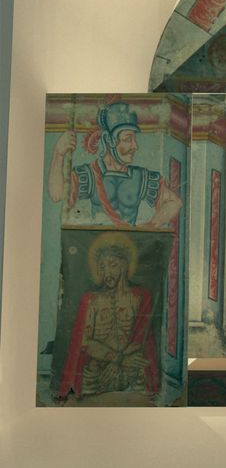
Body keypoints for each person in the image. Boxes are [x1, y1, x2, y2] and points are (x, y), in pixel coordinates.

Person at [58, 232, 159, 399]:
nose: (106, 272)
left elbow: (141, 336)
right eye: (102, 267)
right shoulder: (92, 300)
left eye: (112, 265)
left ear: (124, 266)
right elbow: (84, 341)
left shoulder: (140, 297)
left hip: (132, 370)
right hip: (97, 373)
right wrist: (118, 359)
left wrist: (121, 362)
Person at [48, 102, 182, 227]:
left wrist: (150, 226)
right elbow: (57, 195)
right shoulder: (89, 174)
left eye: (134, 139)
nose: (135, 146)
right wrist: (59, 154)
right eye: (127, 139)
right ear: (109, 139)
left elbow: (175, 202)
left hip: (130, 243)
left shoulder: (141, 177)